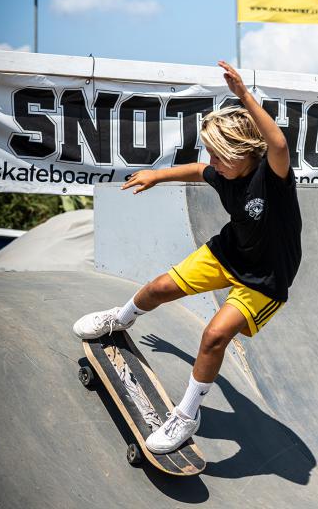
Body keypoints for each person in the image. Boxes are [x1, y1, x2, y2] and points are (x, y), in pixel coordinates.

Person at [73, 61, 302, 454]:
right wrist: (156, 175)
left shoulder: (272, 176)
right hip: (228, 251)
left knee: (214, 336)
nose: (212, 163)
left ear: (242, 153)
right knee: (160, 286)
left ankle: (186, 415)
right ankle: (119, 319)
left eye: (219, 156)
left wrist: (243, 95)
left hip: (264, 279)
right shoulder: (220, 171)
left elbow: (278, 144)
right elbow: (197, 170)